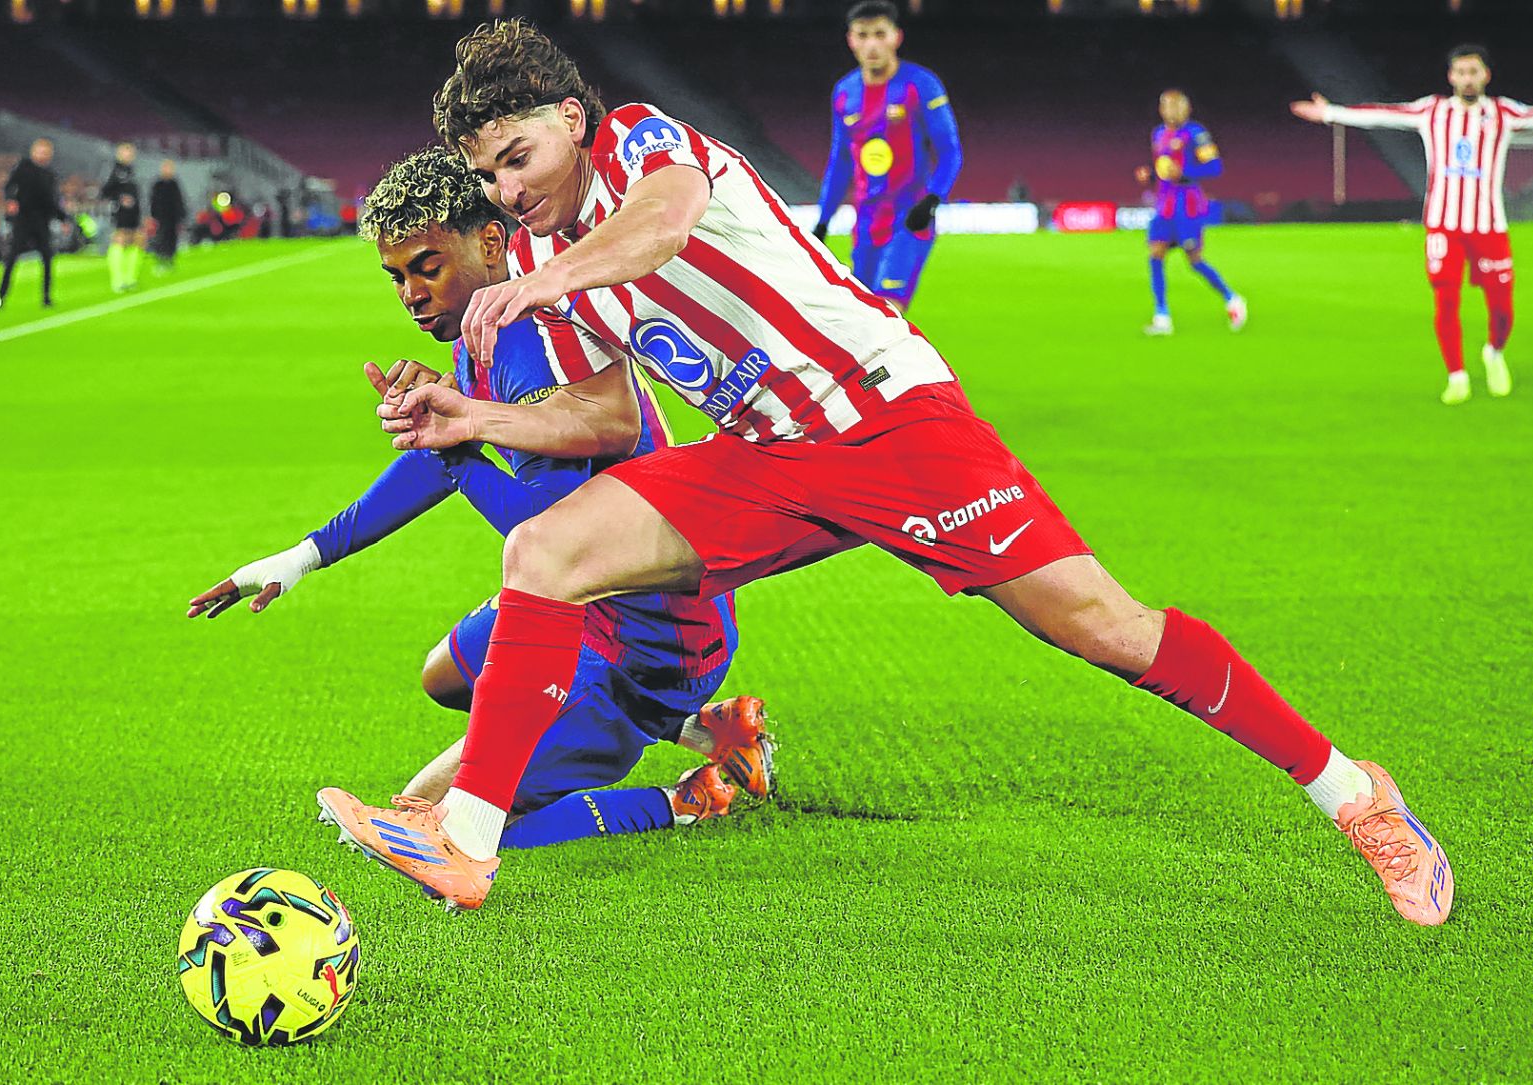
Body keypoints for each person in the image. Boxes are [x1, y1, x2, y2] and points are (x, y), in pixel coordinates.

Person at [338, 20, 1456, 926]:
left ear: (571, 124)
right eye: (488, 171)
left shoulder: (638, 146)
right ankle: (469, 837)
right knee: (546, 550)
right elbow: (597, 409)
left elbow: (665, 226)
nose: (509, 187)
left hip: (887, 417)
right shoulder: (537, 251)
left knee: (1108, 629)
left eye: (519, 156)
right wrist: (475, 414)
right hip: (767, 457)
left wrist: (543, 283)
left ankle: (1358, 794)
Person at [186, 148, 775, 856]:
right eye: (397, 276)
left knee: (437, 818)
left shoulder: (530, 342)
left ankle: (689, 798)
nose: (410, 293)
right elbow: (438, 466)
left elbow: (555, 535)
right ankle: (713, 729)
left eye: (427, 266)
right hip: (595, 608)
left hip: (647, 646)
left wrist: (459, 452)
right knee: (444, 674)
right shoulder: (485, 329)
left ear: (490, 243)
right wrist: (302, 557)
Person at [1292, 48, 1533, 405]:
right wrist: (1330, 113)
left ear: (1486, 75)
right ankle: (1456, 375)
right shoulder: (1431, 111)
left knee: (1503, 308)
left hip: (1489, 226)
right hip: (1443, 226)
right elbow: (1382, 114)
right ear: (1451, 77)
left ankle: (1494, 352)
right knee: (1446, 302)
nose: (1467, 78)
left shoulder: (1503, 113)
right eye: (1460, 72)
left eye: (1473, 71)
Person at [811, 0, 961, 313]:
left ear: (896, 37)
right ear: (851, 40)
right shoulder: (844, 92)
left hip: (909, 217)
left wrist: (931, 201)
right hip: (865, 221)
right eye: (863, 35)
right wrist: (823, 221)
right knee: (864, 314)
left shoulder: (921, 85)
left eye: (880, 34)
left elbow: (949, 151)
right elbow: (840, 162)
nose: (872, 44)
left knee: (888, 311)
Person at [1136, 90, 1246, 337]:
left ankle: (1232, 298)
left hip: (1187, 205)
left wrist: (1185, 174)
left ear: (1186, 109)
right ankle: (1162, 315)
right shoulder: (1159, 134)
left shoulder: (1196, 134)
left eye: (1175, 106)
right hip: (1164, 205)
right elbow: (1164, 169)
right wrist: (1151, 176)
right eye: (1165, 105)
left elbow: (1215, 167)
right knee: (1155, 255)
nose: (1170, 110)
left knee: (1194, 260)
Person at [0, 138, 68, 310]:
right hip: (24, 219)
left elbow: (52, 201)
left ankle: (46, 297)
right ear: (33, 152)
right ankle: (1, 295)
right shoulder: (23, 168)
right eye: (40, 151)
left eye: (46, 152)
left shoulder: (50, 175)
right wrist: (11, 200)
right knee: (12, 257)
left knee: (47, 258)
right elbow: (9, 187)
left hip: (42, 221)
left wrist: (63, 218)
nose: (43, 155)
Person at [101, 142, 144, 293]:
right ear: (119, 153)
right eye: (126, 152)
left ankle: (130, 278)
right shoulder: (114, 169)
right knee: (120, 240)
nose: (129, 155)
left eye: (131, 152)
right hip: (120, 212)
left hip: (134, 212)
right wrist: (120, 198)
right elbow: (105, 190)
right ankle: (117, 280)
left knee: (137, 241)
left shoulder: (130, 170)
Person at [149, 159, 187, 273]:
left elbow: (179, 201)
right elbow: (153, 201)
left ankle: (170, 260)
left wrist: (181, 215)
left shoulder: (174, 184)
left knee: (172, 238)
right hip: (161, 217)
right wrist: (153, 216)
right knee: (161, 238)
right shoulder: (157, 184)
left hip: (173, 217)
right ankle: (161, 260)